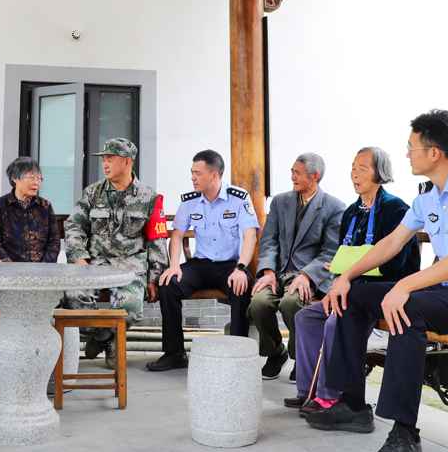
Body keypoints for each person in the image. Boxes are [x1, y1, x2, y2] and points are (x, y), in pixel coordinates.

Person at [306, 110, 448, 452]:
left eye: (411, 147)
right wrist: (346, 275)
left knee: (407, 309)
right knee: (353, 297)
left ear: (434, 152)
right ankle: (353, 404)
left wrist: (406, 285)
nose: (406, 154)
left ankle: (405, 434)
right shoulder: (426, 196)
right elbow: (392, 242)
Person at [285, 147, 420, 416]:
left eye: (363, 169)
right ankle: (308, 390)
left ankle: (330, 396)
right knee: (307, 317)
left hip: (386, 291)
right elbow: (340, 260)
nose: (355, 175)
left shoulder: (395, 209)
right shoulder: (351, 212)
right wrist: (337, 282)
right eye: (353, 168)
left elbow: (394, 264)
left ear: (380, 174)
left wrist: (347, 272)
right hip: (351, 288)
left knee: (338, 320)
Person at [146, 149, 259, 371]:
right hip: (201, 264)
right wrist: (175, 265)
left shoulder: (239, 198)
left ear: (214, 175)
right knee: (168, 284)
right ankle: (174, 353)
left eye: (197, 173)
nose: (193, 178)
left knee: (240, 286)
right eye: (192, 173)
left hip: (230, 265)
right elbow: (177, 235)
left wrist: (241, 268)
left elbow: (250, 235)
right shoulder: (190, 201)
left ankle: (237, 353)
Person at [64, 138, 170, 369]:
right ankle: (109, 338)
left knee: (131, 309)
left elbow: (157, 241)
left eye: (110, 160)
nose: (105, 164)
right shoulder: (92, 193)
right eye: (103, 160)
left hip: (130, 268)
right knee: (72, 299)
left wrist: (153, 279)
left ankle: (102, 339)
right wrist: (79, 257)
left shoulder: (149, 197)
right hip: (95, 265)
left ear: (127, 162)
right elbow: (74, 226)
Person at [248, 152, 345, 381]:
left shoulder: (334, 207)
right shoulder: (281, 201)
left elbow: (331, 251)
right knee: (258, 302)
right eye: (292, 171)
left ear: (315, 176)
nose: (292, 176)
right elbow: (269, 240)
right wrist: (268, 271)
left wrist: (307, 275)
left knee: (292, 303)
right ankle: (274, 353)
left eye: (297, 173)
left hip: (308, 275)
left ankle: (300, 357)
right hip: (278, 271)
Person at [0, 156, 61, 263]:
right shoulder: (0, 206)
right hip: (9, 271)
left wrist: (45, 268)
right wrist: (10, 268)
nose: (36, 182)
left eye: (39, 178)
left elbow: (54, 241)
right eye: (31, 178)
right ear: (15, 178)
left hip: (41, 271)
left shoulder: (45, 206)